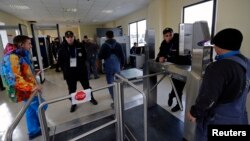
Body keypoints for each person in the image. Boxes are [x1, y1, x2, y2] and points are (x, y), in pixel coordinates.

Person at [187, 28, 250, 141]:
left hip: (218, 119)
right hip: (239, 118)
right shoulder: (247, 62)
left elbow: (208, 97)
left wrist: (194, 113)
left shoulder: (217, 67)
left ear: (219, 47)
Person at [0, 36, 45, 140]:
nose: (31, 45)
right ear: (21, 45)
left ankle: (34, 130)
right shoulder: (12, 57)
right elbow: (14, 78)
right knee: (42, 106)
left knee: (30, 109)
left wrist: (34, 72)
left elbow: (23, 71)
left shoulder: (21, 55)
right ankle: (39, 127)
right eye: (29, 43)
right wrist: (31, 87)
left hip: (28, 88)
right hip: (26, 90)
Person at [58, 31, 98, 113]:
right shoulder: (62, 47)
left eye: (71, 37)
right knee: (72, 89)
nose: (70, 39)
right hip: (70, 73)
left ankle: (91, 98)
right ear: (65, 38)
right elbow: (60, 61)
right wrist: (65, 70)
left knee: (86, 86)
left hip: (81, 71)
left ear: (73, 37)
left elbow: (85, 56)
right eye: (68, 37)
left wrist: (81, 64)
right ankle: (73, 103)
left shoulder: (80, 45)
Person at [156, 27, 191, 112]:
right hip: (173, 67)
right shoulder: (164, 43)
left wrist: (167, 59)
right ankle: (174, 98)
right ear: (163, 36)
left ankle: (175, 100)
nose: (168, 37)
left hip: (184, 67)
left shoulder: (179, 41)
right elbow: (160, 55)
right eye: (166, 36)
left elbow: (180, 58)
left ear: (173, 34)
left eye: (170, 35)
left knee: (180, 86)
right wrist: (159, 58)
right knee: (175, 85)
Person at [98, 31, 125, 103]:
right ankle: (120, 96)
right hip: (117, 66)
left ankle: (114, 97)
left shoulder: (104, 45)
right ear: (113, 36)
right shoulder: (119, 45)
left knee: (110, 82)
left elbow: (99, 57)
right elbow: (122, 56)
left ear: (106, 37)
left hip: (108, 66)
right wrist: (122, 65)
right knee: (119, 80)